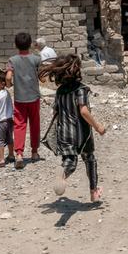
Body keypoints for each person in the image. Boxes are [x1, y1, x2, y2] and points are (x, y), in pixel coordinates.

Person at [40, 54, 108, 203]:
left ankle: (63, 173)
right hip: (81, 132)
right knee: (89, 158)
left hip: (64, 132)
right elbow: (83, 111)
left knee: (70, 160)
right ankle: (94, 192)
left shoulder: (60, 91)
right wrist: (97, 127)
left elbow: (55, 112)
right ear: (76, 70)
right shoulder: (81, 89)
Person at [5, 32, 42, 169]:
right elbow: (42, 77)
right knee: (34, 124)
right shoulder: (36, 59)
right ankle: (34, 152)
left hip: (20, 99)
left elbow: (8, 77)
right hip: (34, 98)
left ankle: (19, 154)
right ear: (30, 44)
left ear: (15, 45)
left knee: (19, 125)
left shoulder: (12, 60)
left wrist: (10, 85)